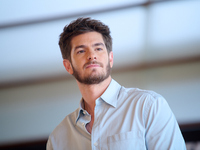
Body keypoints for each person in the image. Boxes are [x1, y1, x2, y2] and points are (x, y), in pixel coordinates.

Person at [47, 17, 186, 150]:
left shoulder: (149, 106)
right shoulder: (58, 139)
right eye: (81, 51)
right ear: (68, 66)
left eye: (98, 48)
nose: (92, 55)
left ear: (110, 58)